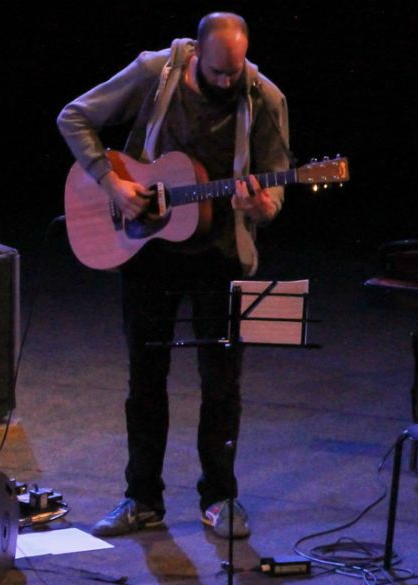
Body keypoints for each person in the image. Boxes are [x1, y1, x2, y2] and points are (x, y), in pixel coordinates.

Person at [57, 12, 290, 539]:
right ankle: (141, 498)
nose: (229, 83)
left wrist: (258, 207)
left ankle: (220, 498)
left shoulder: (265, 99)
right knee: (145, 377)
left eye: (237, 73)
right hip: (149, 250)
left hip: (221, 254)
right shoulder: (156, 72)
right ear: (197, 57)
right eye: (218, 73)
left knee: (222, 383)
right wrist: (111, 184)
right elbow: (73, 117)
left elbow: (274, 192)